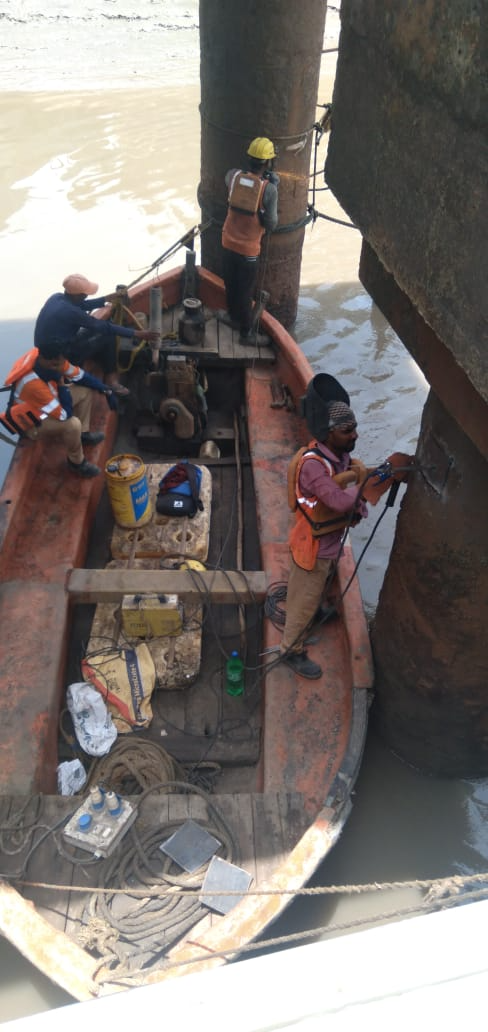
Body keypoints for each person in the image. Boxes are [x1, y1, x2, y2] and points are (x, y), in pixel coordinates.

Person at [280, 396, 369, 679]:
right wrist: (365, 483)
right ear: (330, 433)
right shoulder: (314, 466)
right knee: (302, 601)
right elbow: (338, 501)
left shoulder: (340, 457)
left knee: (318, 589)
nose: (355, 435)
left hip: (330, 542)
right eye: (347, 431)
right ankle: (290, 650)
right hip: (313, 547)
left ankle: (317, 612)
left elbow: (346, 491)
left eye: (355, 428)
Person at [0, 340, 119, 478]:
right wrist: (62, 386)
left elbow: (81, 376)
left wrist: (106, 390)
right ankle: (76, 463)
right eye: (59, 364)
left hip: (48, 403)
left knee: (85, 390)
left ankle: (83, 435)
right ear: (51, 362)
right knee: (72, 424)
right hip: (34, 423)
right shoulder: (32, 384)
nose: (63, 366)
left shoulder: (53, 361)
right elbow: (64, 415)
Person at [34, 274, 160, 397]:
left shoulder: (57, 298)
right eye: (84, 294)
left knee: (101, 330)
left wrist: (107, 298)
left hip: (49, 348)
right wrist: (138, 334)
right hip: (61, 355)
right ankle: (111, 379)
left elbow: (82, 305)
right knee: (107, 334)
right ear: (78, 295)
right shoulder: (71, 312)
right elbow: (102, 327)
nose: (86, 295)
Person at [221, 137, 279, 343]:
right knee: (245, 292)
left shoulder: (233, 177)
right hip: (248, 252)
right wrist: (273, 186)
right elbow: (271, 224)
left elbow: (234, 180)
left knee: (231, 284)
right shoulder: (268, 190)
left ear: (249, 159)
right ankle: (246, 333)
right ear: (268, 163)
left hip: (227, 243)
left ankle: (231, 316)